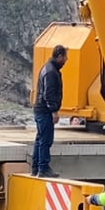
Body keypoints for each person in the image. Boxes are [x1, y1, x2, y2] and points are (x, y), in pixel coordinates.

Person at [32, 45, 68, 178]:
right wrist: (54, 111)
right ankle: (43, 168)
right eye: (65, 57)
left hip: (40, 109)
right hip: (45, 111)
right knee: (46, 140)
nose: (66, 60)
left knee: (40, 139)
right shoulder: (51, 72)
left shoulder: (47, 68)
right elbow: (49, 93)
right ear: (59, 56)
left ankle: (36, 168)